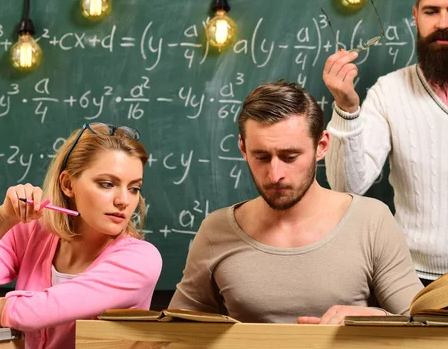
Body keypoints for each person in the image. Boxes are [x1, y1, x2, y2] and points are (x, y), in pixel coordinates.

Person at [323, 0, 448, 347]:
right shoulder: (387, 92)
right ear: (415, 16)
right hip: (409, 286)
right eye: (431, 11)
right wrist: (346, 107)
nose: (443, 23)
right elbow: (348, 186)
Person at [169, 80, 424, 324]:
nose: (275, 174)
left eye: (290, 156)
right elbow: (176, 332)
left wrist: (379, 320)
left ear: (322, 146)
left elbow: (427, 328)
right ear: (243, 149)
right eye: (261, 157)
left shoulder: (371, 221)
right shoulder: (216, 230)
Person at [0, 123, 162, 349]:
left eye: (134, 188)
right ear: (68, 184)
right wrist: (2, 219)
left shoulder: (141, 260)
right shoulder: (33, 232)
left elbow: (30, 312)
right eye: (107, 184)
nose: (123, 201)